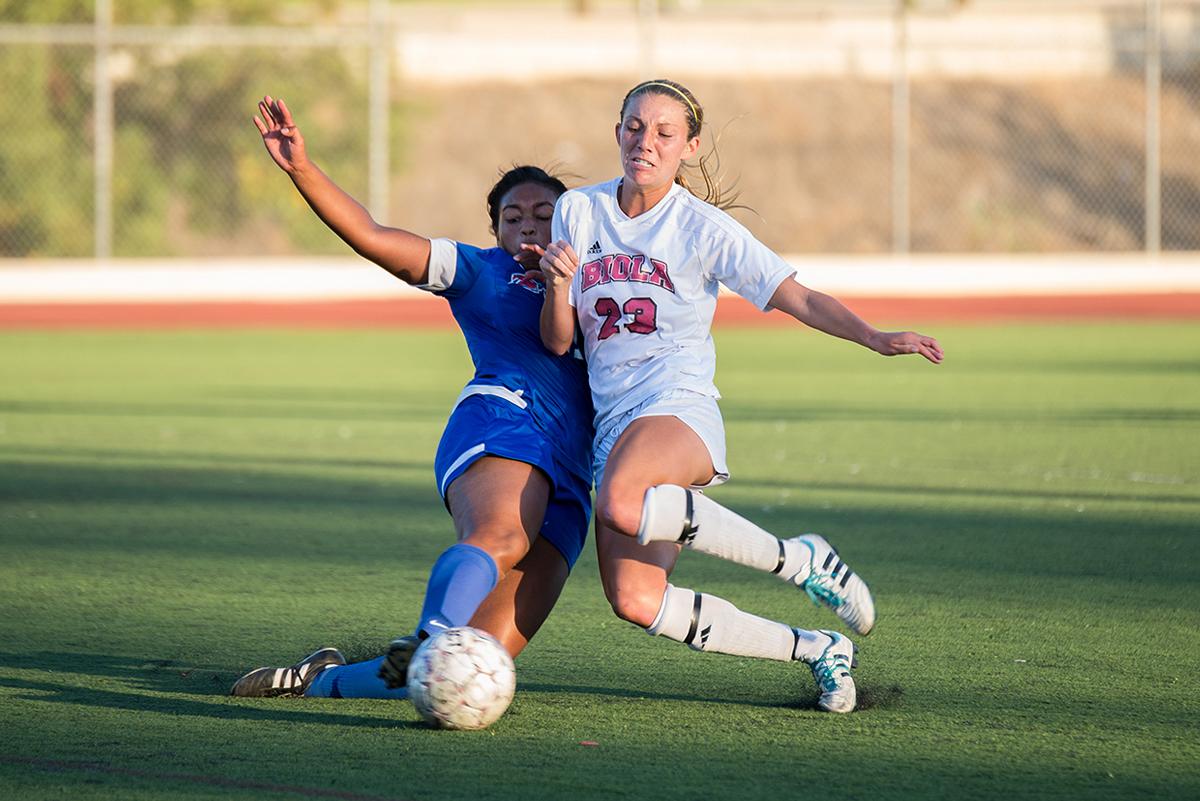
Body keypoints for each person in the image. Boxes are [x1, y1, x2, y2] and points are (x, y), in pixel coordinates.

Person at [534, 79, 944, 714]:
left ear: (689, 147)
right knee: (635, 599)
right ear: (617, 133)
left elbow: (798, 296)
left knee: (619, 501)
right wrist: (558, 286)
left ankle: (800, 560)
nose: (646, 142)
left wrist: (873, 336)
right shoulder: (579, 212)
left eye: (665, 133)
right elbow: (559, 342)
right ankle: (817, 649)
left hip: (677, 406)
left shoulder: (702, 229)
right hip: (614, 423)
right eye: (635, 127)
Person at [231, 96, 593, 699]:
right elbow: (373, 236)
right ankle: (431, 628)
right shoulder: (480, 271)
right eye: (512, 217)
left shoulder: (605, 278)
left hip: (576, 472)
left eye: (545, 213)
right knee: (499, 543)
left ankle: (316, 683)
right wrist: (302, 169)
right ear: (496, 231)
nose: (528, 225)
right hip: (507, 421)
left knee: (478, 660)